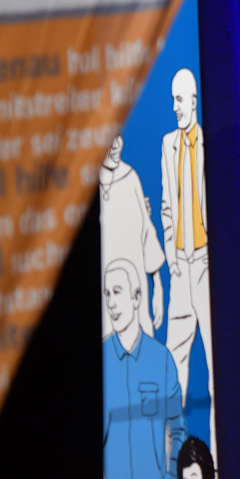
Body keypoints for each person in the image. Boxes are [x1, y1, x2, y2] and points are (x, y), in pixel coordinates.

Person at [103, 259, 185, 479]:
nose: (111, 302)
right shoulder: (100, 360)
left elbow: (178, 431)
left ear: (137, 297)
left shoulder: (161, 359)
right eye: (106, 294)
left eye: (117, 292)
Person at [160, 68, 214, 454]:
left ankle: (220, 463)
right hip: (180, 268)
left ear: (194, 101)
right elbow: (167, 206)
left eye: (180, 100)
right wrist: (171, 257)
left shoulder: (210, 143)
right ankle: (169, 464)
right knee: (172, 373)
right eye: (173, 101)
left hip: (207, 266)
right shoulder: (168, 145)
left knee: (216, 370)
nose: (175, 107)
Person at [100, 135, 167, 341]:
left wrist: (158, 287)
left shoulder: (130, 178)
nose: (115, 145)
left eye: (117, 136)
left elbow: (147, 232)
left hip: (136, 299)